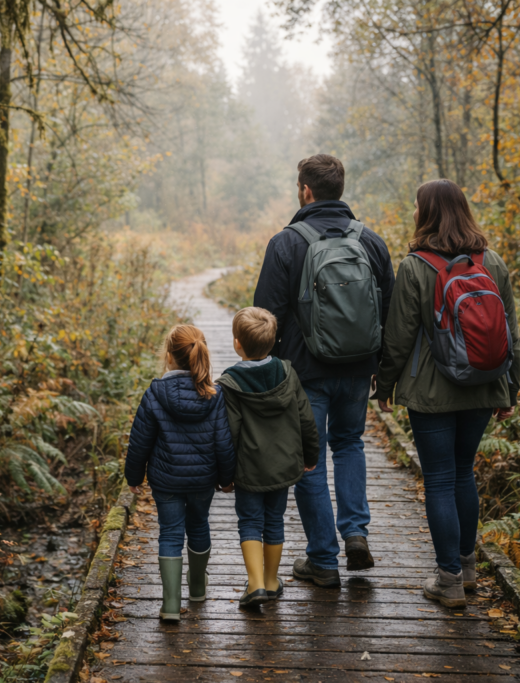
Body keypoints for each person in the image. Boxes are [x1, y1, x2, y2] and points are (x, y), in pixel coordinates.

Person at [374, 179, 520, 609]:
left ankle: (448, 580)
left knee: (438, 478)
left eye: (417, 206)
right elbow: (511, 332)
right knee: (463, 472)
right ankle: (469, 567)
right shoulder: (491, 261)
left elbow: (399, 336)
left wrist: (384, 385)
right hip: (484, 385)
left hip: (431, 392)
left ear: (426, 212)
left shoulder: (417, 265)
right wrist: (510, 388)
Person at [254, 154, 395, 587]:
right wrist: (382, 371)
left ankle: (323, 560)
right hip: (358, 370)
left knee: (308, 462)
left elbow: (266, 316)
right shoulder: (369, 241)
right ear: (341, 189)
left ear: (305, 191)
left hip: (305, 373)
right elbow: (389, 311)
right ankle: (355, 532)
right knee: (350, 444)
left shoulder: (287, 242)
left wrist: (270, 374)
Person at [124, 324, 236, 622]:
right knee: (199, 526)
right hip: (202, 480)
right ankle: (197, 587)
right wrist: (226, 479)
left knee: (170, 533)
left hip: (166, 480)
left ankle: (171, 605)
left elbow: (140, 441)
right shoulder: (214, 395)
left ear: (169, 358)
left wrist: (134, 477)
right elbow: (223, 442)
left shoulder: (155, 393)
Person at [215, 307, 320, 607]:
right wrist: (310, 455)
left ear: (237, 344)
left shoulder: (230, 384)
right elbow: (306, 420)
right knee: (274, 520)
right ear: (273, 342)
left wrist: (224, 476)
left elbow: (228, 434)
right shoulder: (288, 373)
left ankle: (256, 585)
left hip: (248, 470)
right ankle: (272, 581)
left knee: (249, 522)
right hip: (283, 466)